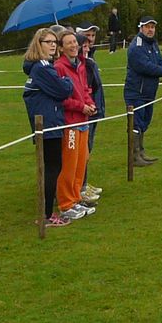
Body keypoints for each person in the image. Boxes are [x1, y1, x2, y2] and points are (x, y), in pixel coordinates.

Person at [22, 28, 74, 225]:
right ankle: (46, 215)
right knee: (52, 168)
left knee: (52, 167)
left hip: (50, 122)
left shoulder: (43, 66)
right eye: (48, 41)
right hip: (48, 123)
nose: (53, 44)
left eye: (54, 41)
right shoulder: (42, 67)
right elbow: (63, 90)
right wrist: (66, 80)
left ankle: (46, 212)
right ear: (38, 44)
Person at [124, 15, 162, 166]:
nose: (151, 30)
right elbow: (145, 67)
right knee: (136, 124)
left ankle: (141, 152)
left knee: (145, 122)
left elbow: (158, 61)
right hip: (136, 92)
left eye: (153, 27)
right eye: (147, 27)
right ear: (141, 28)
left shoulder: (152, 44)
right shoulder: (136, 47)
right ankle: (134, 156)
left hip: (149, 92)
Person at [54, 32, 96, 220]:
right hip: (70, 123)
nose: (73, 46)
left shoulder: (80, 65)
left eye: (74, 42)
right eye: (68, 43)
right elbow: (62, 98)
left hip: (84, 122)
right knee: (69, 165)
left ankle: (76, 198)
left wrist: (90, 103)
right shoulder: (59, 67)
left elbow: (85, 89)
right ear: (61, 48)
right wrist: (82, 107)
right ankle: (66, 203)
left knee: (81, 161)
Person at [75, 23, 105, 201]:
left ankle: (83, 183)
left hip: (94, 109)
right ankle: (80, 187)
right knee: (81, 150)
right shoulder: (81, 63)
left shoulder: (90, 59)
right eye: (86, 37)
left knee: (88, 149)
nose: (90, 40)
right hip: (83, 112)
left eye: (93, 36)